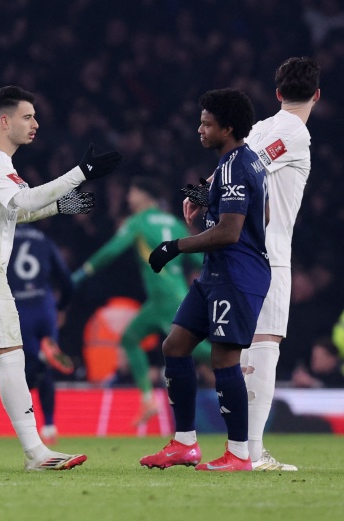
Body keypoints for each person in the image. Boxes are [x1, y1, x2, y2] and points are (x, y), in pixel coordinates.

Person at [0, 85, 121, 470]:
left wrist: (61, 206)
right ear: (5, 120)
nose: (36, 124)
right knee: (12, 356)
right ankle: (35, 452)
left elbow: (20, 211)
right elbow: (26, 201)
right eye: (28, 117)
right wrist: (80, 173)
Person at [184, 57, 320, 471]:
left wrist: (201, 193)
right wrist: (204, 193)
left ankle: (238, 448)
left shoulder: (259, 127)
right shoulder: (294, 131)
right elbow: (251, 164)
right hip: (268, 254)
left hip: (236, 251)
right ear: (316, 95)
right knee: (264, 344)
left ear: (278, 93)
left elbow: (236, 162)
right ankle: (251, 451)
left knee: (236, 348)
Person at [141, 88, 269, 472]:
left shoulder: (235, 166)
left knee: (223, 358)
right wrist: (207, 196)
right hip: (215, 274)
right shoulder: (243, 162)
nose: (200, 129)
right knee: (175, 345)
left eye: (207, 124)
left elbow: (230, 232)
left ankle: (239, 453)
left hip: (236, 274)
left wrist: (175, 246)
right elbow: (261, 213)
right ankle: (184, 444)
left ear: (227, 129)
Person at [71, 176, 210, 425]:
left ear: (144, 196)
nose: (128, 197)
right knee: (130, 338)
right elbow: (199, 259)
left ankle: (241, 366)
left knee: (197, 350)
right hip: (173, 295)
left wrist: (82, 272)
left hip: (164, 298)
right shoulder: (176, 223)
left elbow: (112, 250)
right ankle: (147, 400)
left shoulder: (138, 223)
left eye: (132, 192)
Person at [7, 223, 75, 445]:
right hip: (45, 308)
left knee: (21, 367)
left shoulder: (3, 238)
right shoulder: (44, 240)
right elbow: (66, 280)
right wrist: (60, 308)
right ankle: (49, 425)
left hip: (19, 308)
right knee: (44, 368)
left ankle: (26, 427)